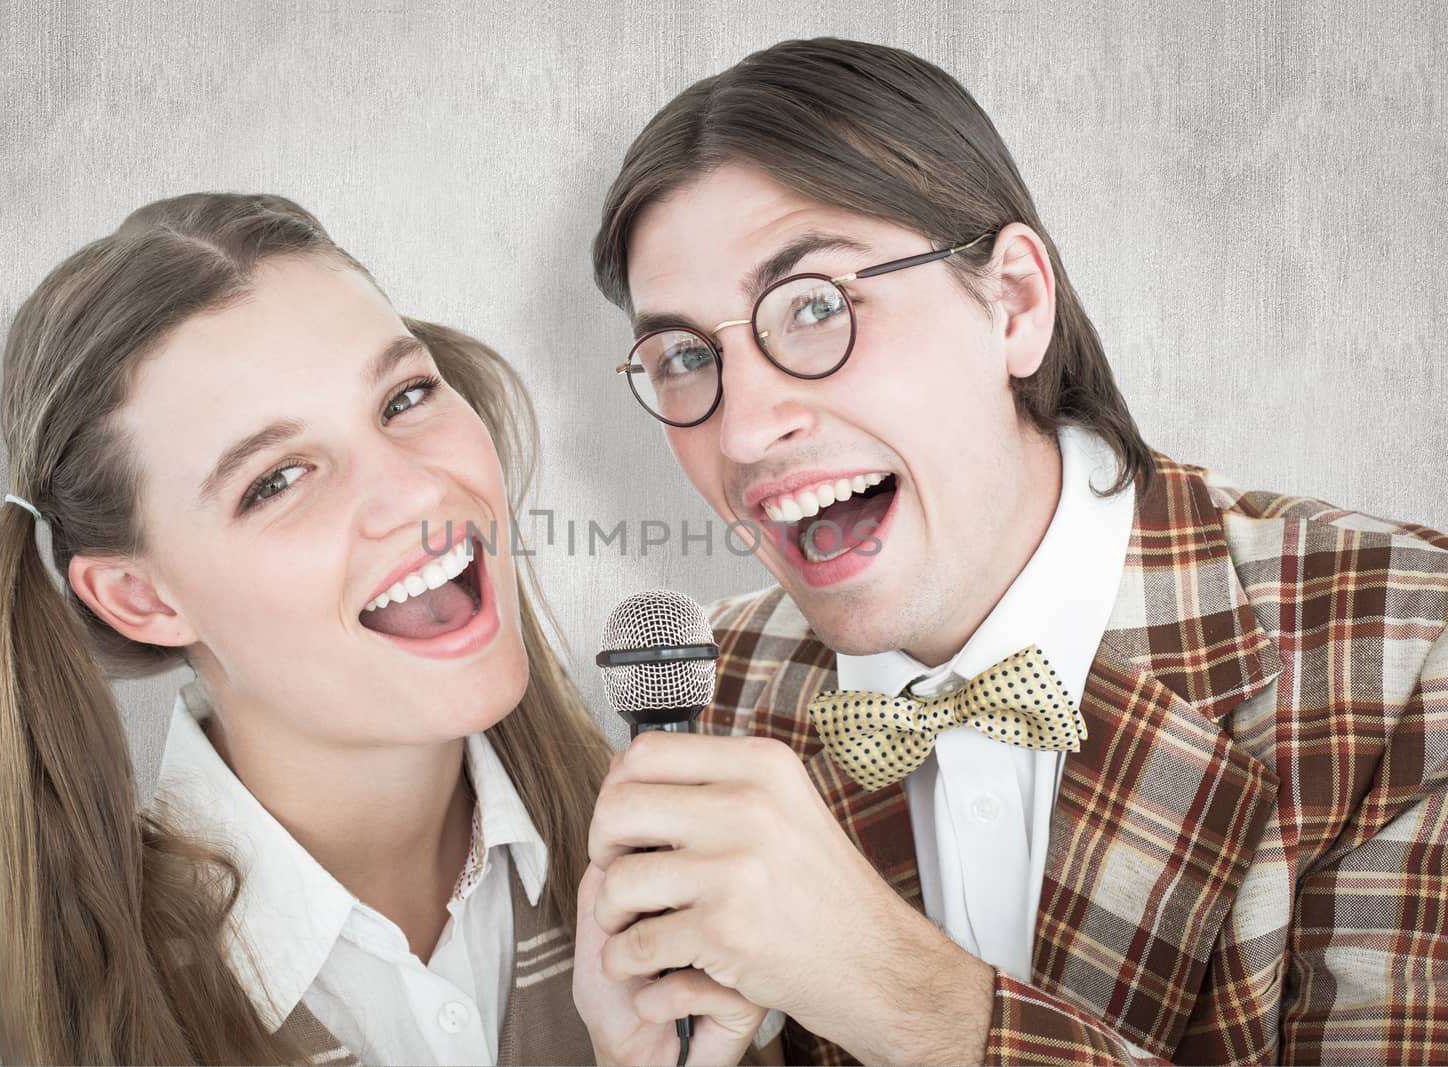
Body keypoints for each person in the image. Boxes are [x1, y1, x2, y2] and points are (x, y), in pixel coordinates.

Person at [572, 37, 1448, 1066]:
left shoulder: (1403, 647)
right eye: (685, 356)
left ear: (1014, 302)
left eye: (814, 305)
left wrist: (900, 991)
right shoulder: (714, 699)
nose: (743, 428)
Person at [0, 192, 612, 1065]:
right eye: (276, 480)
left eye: (406, 394)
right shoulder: (120, 1030)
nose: (417, 492)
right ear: (141, 598)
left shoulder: (661, 852)